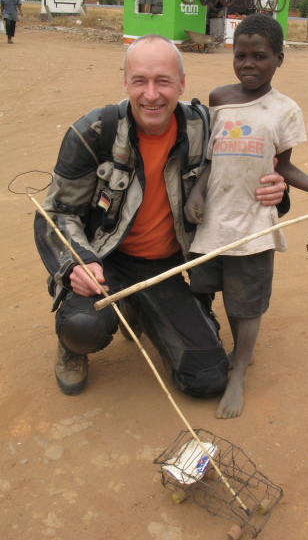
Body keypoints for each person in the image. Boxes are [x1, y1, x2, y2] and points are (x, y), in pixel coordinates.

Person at [34, 34, 288, 398]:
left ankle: (140, 308)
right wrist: (78, 263)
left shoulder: (209, 127)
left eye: (163, 81)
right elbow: (56, 213)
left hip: (167, 267)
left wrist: (277, 190)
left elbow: (247, 178)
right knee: (83, 324)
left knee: (208, 379)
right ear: (126, 82)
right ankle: (73, 348)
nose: (151, 95)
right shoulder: (94, 132)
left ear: (182, 84)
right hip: (105, 262)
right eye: (140, 81)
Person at [184, 15, 308, 420]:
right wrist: (196, 191)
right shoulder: (218, 98)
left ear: (279, 58)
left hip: (255, 223)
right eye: (240, 54)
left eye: (260, 56)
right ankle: (237, 352)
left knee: (249, 301)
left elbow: (286, 168)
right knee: (227, 291)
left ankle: (240, 369)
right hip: (214, 222)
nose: (249, 63)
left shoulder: (285, 110)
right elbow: (212, 158)